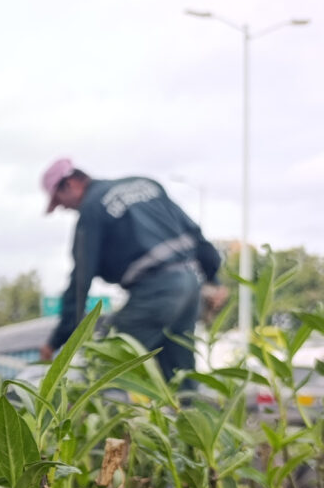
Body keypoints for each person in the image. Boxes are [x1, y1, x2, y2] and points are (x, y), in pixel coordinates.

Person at [38, 159, 227, 379]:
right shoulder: (145, 184)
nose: (64, 208)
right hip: (190, 285)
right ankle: (188, 400)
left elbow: (80, 282)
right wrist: (214, 280)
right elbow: (195, 234)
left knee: (105, 368)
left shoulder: (92, 208)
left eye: (59, 201)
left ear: (70, 184)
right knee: (181, 375)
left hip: (157, 292)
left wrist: (57, 340)